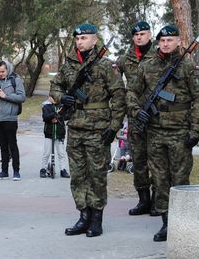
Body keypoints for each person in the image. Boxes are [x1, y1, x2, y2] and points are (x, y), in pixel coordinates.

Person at [126, 25, 199, 242]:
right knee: (160, 179)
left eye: (170, 40)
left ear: (179, 41)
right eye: (162, 40)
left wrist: (195, 129)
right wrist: (137, 111)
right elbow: (131, 91)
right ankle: (166, 223)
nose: (166, 44)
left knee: (180, 179)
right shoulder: (146, 66)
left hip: (180, 132)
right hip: (155, 131)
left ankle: (183, 224)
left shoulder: (189, 67)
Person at [50, 23, 126, 238]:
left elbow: (119, 98)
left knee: (97, 175)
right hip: (74, 127)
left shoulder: (105, 66)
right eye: (77, 39)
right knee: (78, 175)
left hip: (98, 130)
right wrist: (60, 96)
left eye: (84, 38)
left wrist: (114, 128)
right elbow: (55, 86)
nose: (79, 42)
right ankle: (83, 216)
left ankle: (96, 218)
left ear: (94, 40)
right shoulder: (69, 65)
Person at [116, 21, 159, 216]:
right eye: (136, 35)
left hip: (157, 117)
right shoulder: (125, 59)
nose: (139, 37)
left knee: (157, 161)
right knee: (139, 160)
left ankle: (159, 200)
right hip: (135, 116)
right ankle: (143, 200)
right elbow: (118, 87)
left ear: (150, 34)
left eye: (142, 34)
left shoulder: (160, 56)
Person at [0, 61, 26, 181]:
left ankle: (16, 172)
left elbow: (22, 97)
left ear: (8, 70)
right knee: (2, 146)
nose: (0, 74)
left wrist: (5, 96)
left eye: (3, 71)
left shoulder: (16, 80)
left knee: (12, 145)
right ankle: (4, 171)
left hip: (10, 119)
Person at [40, 101, 70, 178]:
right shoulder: (46, 107)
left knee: (61, 153)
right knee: (46, 153)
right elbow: (45, 117)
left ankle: (62, 169)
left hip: (59, 134)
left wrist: (58, 117)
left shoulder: (62, 106)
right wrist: (54, 115)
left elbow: (66, 116)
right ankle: (43, 168)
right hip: (49, 133)